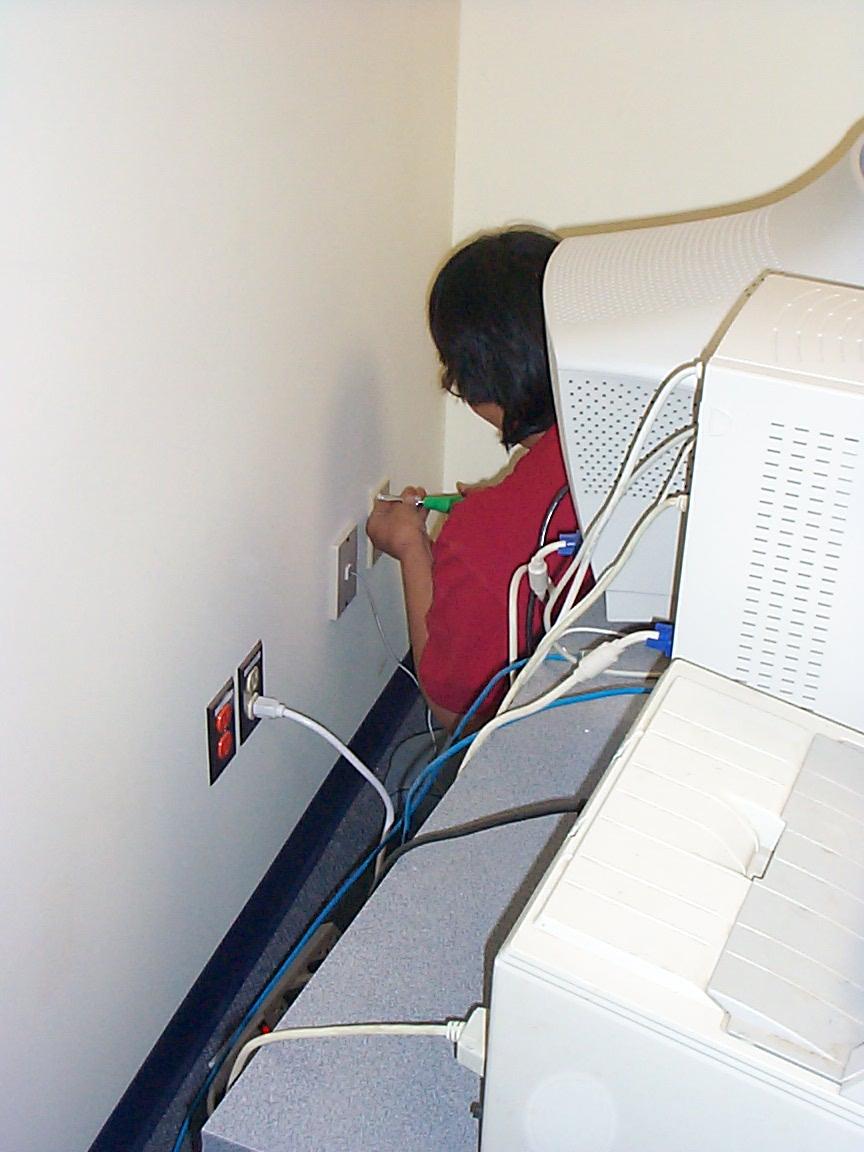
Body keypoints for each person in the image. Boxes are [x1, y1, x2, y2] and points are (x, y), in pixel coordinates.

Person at [366, 228, 584, 732]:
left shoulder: (484, 532)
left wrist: (412, 548)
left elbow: (457, 713)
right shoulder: (630, 433)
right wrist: (507, 506)